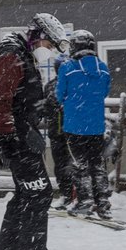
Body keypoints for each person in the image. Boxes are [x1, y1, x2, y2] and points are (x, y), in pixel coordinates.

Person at [0, 12, 70, 250]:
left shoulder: (22, 56)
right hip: (15, 138)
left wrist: (41, 107)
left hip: (20, 133)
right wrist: (12, 135)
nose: (48, 51)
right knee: (39, 192)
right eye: (48, 45)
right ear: (38, 36)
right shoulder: (13, 56)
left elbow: (20, 99)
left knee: (25, 193)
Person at [56, 29, 113, 219]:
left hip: (74, 126)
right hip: (96, 126)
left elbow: (59, 95)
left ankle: (85, 201)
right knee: (97, 164)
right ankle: (103, 202)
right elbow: (104, 93)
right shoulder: (103, 68)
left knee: (80, 165)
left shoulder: (67, 67)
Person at [43, 55, 75, 209]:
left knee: (75, 164)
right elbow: (46, 108)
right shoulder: (49, 86)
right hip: (56, 132)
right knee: (60, 165)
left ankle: (79, 195)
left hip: (73, 132)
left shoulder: (74, 84)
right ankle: (65, 194)